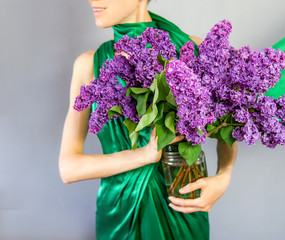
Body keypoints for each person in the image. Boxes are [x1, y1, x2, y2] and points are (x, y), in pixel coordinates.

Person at [58, 0, 238, 239]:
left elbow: (229, 122)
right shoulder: (89, 65)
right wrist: (142, 156)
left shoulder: (193, 50)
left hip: (182, 207)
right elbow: (68, 168)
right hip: (121, 213)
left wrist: (223, 177)